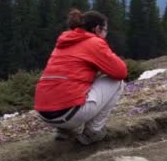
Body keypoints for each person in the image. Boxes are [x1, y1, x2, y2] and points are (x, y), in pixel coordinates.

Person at [34, 8, 127, 145]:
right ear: (97, 29)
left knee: (74, 82)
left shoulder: (64, 41)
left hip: (44, 113)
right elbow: (121, 72)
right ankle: (92, 132)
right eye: (105, 30)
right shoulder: (95, 42)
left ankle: (64, 131)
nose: (106, 34)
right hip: (68, 113)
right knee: (117, 82)